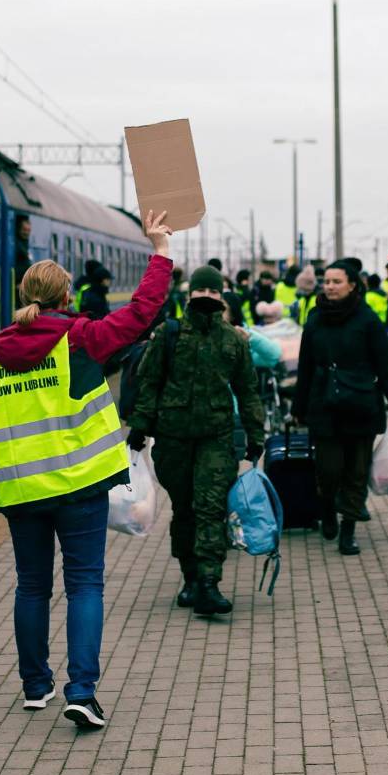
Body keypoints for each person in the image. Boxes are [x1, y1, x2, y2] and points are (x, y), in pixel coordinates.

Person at [0, 210, 175, 730]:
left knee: (31, 585)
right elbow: (141, 314)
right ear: (66, 298)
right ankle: (81, 691)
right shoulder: (79, 338)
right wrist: (162, 253)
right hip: (80, 484)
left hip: (20, 489)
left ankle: (35, 686)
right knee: (84, 585)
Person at [127, 264, 265, 617]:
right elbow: (150, 384)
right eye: (200, 292)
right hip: (173, 439)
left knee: (211, 507)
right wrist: (140, 428)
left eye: (213, 293)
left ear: (221, 296)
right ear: (189, 296)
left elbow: (248, 391)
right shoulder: (169, 335)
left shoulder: (234, 340)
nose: (207, 298)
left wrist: (255, 434)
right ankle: (190, 577)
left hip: (216, 438)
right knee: (185, 509)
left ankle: (208, 582)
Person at [293, 261, 388, 553]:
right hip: (324, 404)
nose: (329, 286)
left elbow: (385, 365)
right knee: (328, 470)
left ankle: (349, 529)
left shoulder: (367, 321)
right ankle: (328, 506)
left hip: (361, 404)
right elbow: (305, 364)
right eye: (327, 281)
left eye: (336, 281)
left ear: (352, 285)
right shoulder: (315, 318)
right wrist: (299, 405)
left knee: (356, 472)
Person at [13, 215, 33, 306]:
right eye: (24, 230)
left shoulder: (25, 244)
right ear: (18, 229)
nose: (26, 233)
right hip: (17, 287)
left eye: (28, 231)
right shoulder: (17, 245)